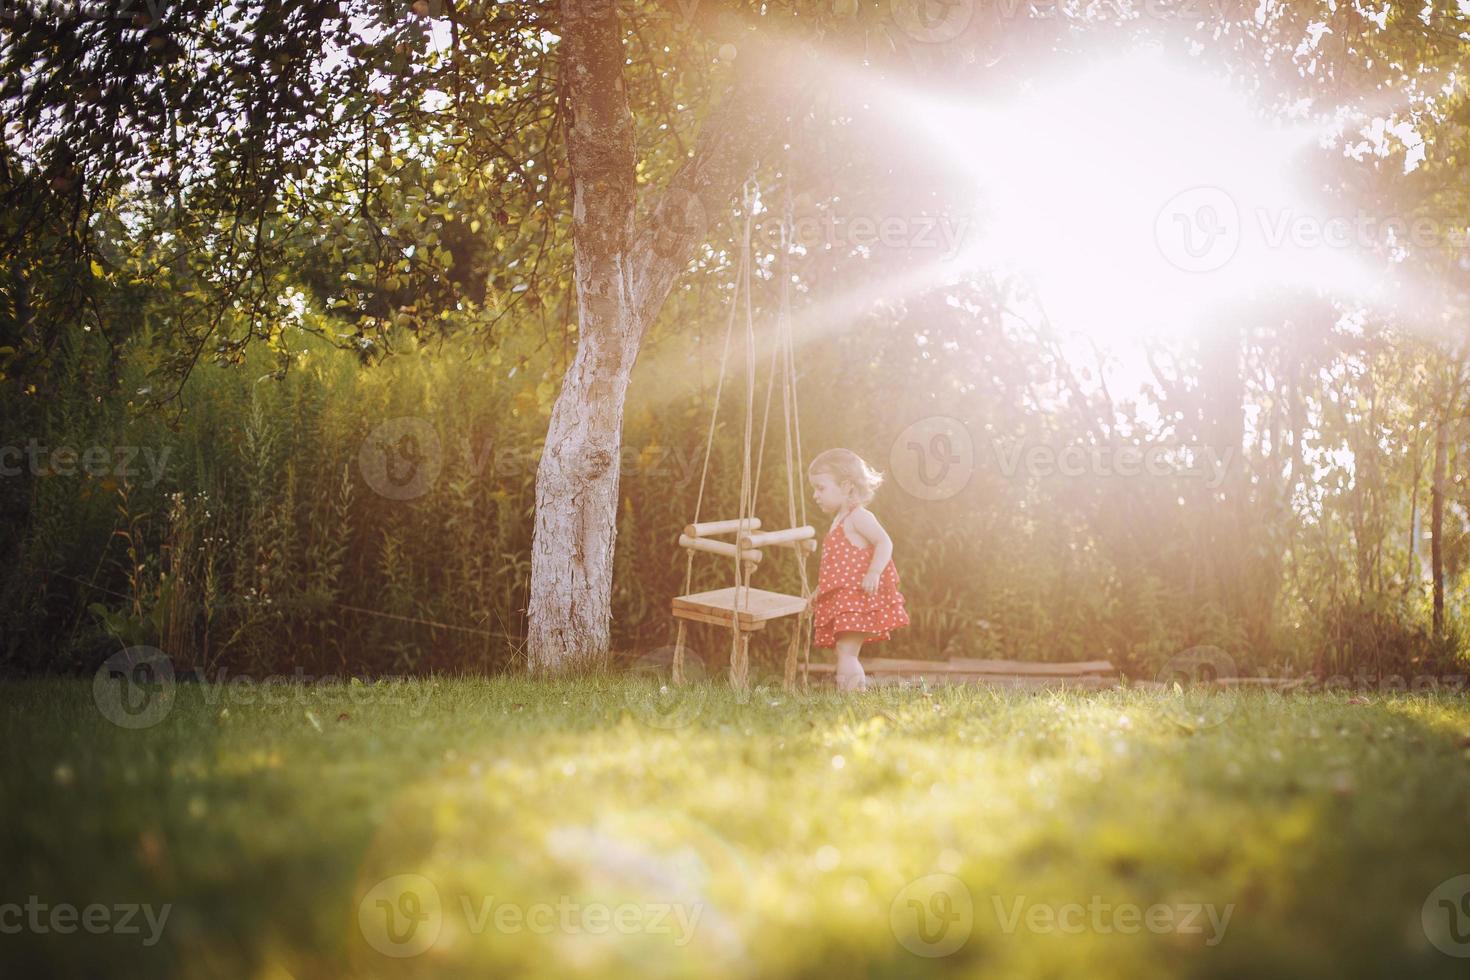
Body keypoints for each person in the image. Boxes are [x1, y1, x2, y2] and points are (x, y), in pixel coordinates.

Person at [806, 448, 910, 692]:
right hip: (844, 597)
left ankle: (853, 698)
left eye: (821, 488)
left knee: (847, 652)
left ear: (846, 487)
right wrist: (819, 591)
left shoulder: (858, 517)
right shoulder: (839, 521)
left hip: (856, 598)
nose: (815, 495)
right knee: (843, 652)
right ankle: (851, 694)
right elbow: (837, 570)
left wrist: (874, 572)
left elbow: (884, 542)